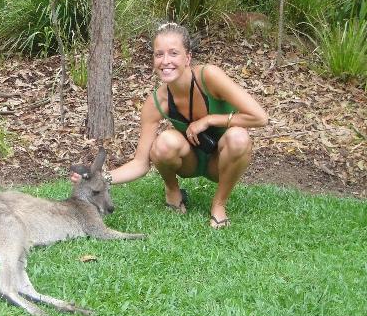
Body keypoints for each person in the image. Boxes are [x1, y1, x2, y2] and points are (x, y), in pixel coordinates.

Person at [105, 22, 268, 228]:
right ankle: (173, 191)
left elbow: (260, 117)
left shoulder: (209, 76)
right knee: (164, 141)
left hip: (221, 163)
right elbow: (140, 163)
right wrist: (102, 178)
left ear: (187, 57)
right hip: (189, 163)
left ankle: (218, 205)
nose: (165, 61)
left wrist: (209, 120)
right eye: (159, 54)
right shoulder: (156, 102)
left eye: (173, 53)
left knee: (238, 136)